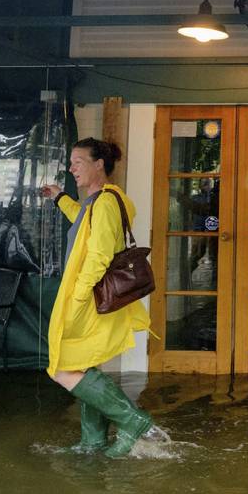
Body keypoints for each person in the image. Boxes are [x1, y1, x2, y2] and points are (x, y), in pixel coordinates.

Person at [40, 138, 155, 458]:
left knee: (62, 367)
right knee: (83, 364)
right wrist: (60, 197)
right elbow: (83, 220)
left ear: (98, 164)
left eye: (78, 161)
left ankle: (134, 421)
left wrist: (77, 297)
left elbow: (100, 255)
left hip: (89, 296)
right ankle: (93, 441)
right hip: (92, 295)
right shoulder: (103, 201)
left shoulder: (104, 202)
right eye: (71, 162)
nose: (72, 168)